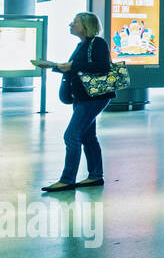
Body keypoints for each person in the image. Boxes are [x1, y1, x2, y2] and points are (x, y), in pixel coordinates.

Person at [39, 12, 114, 192]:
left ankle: (67, 179)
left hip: (94, 97)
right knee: (88, 137)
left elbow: (103, 67)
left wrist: (72, 66)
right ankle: (95, 176)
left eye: (75, 22)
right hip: (82, 97)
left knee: (71, 136)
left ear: (86, 26)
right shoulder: (82, 45)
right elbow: (76, 68)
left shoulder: (98, 43)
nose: (71, 24)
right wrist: (54, 66)